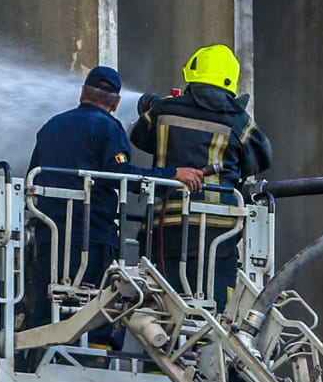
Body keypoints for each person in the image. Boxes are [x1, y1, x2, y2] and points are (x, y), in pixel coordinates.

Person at [23, 66, 204, 347]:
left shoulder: (51, 126)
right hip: (92, 238)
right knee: (96, 309)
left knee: (48, 308)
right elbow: (122, 175)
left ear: (83, 92)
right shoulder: (107, 127)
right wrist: (173, 175)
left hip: (50, 236)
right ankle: (94, 359)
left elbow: (33, 177)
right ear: (117, 103)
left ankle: (38, 359)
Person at [130, 44, 272, 311]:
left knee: (162, 309)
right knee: (214, 309)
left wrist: (159, 106)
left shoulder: (164, 111)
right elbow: (261, 157)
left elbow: (139, 138)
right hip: (217, 232)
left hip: (166, 226)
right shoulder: (238, 121)